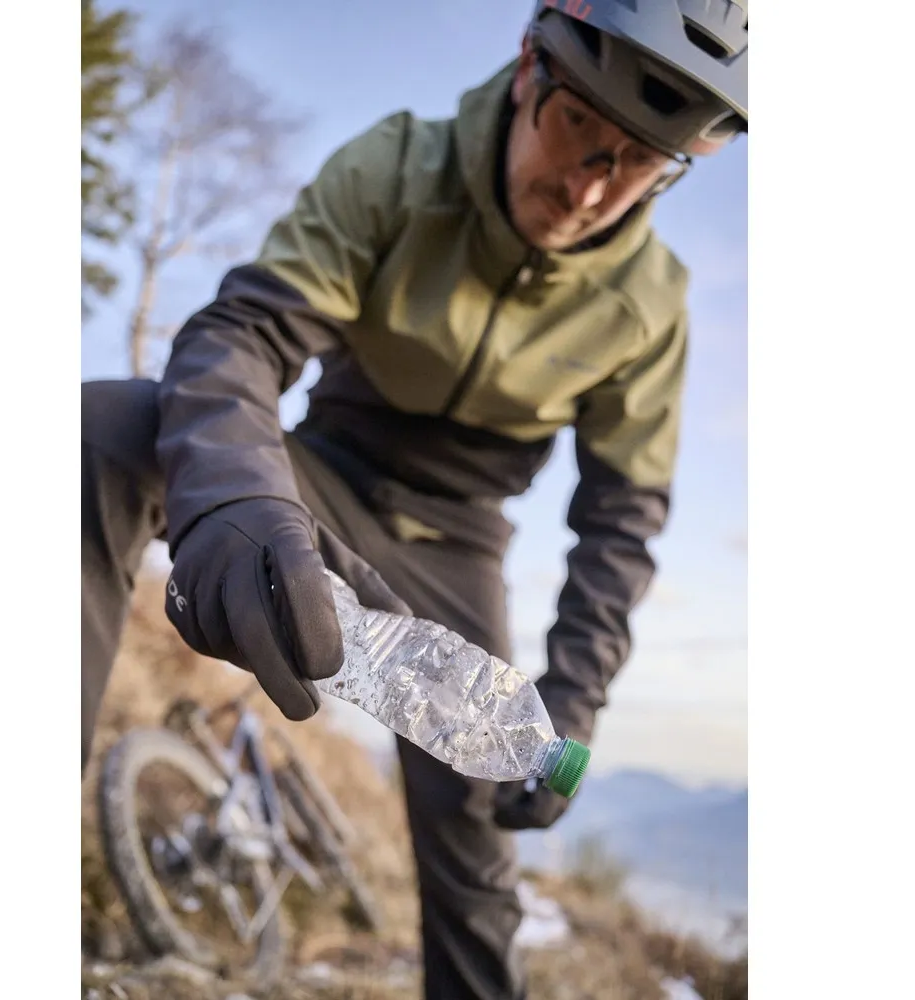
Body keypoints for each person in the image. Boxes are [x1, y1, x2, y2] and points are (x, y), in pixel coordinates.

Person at [81, 1, 748, 997]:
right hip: (317, 476)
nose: (588, 187)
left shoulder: (650, 302)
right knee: (102, 434)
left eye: (638, 162)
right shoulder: (399, 165)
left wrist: (572, 699)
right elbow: (244, 332)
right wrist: (232, 497)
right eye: (577, 125)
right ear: (528, 70)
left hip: (458, 545)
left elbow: (622, 520)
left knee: (474, 845)